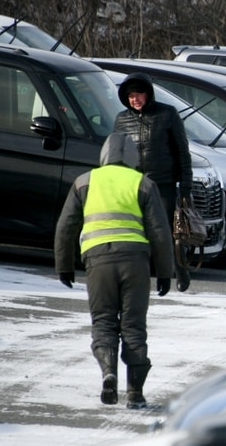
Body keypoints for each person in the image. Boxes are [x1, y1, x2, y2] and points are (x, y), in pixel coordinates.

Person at [54, 131, 174, 409]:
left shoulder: (84, 182)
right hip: (135, 262)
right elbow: (160, 232)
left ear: (104, 155)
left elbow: (65, 227)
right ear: (133, 157)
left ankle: (108, 372)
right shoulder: (143, 184)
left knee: (104, 321)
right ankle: (135, 393)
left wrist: (64, 265)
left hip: (97, 261)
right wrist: (165, 272)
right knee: (133, 327)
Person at [113, 72, 194, 291]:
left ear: (148, 94)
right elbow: (116, 153)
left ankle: (178, 270)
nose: (135, 99)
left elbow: (183, 153)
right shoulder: (122, 119)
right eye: (130, 96)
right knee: (135, 231)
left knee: (165, 232)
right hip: (133, 185)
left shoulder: (167, 114)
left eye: (139, 94)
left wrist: (185, 186)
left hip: (162, 184)